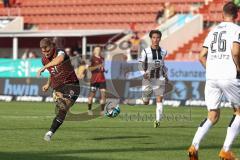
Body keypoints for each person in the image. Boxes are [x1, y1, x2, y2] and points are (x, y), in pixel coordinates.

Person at [187, 2, 240, 160]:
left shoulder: (212, 31)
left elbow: (201, 56)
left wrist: (210, 69)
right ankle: (225, 150)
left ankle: (194, 146)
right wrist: (238, 67)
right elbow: (236, 52)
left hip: (211, 77)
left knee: (213, 115)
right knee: (238, 111)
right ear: (237, 15)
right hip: (229, 75)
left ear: (222, 15)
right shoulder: (237, 30)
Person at [37, 38, 80, 142]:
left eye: (48, 50)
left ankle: (50, 131)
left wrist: (44, 67)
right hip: (58, 86)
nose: (46, 53)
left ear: (52, 46)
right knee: (62, 108)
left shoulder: (60, 52)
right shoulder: (43, 60)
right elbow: (52, 73)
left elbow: (59, 60)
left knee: (64, 107)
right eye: (43, 51)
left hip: (72, 85)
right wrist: (48, 84)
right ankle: (49, 133)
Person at [138, 30, 168, 128]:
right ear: (151, 39)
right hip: (148, 79)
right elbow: (140, 65)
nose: (156, 39)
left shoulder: (164, 51)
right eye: (154, 37)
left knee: (159, 98)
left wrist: (166, 75)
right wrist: (143, 74)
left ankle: (157, 121)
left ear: (160, 38)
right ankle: (144, 98)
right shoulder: (145, 51)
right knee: (146, 102)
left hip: (159, 78)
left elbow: (163, 65)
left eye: (158, 37)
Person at [87, 46, 106, 116]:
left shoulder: (102, 58)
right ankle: (89, 110)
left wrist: (104, 70)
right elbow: (89, 69)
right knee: (91, 95)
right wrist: (97, 66)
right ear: (94, 50)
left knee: (103, 95)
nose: (98, 50)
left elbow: (102, 68)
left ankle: (102, 111)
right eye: (97, 49)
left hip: (102, 79)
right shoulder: (92, 59)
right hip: (94, 80)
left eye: (99, 49)